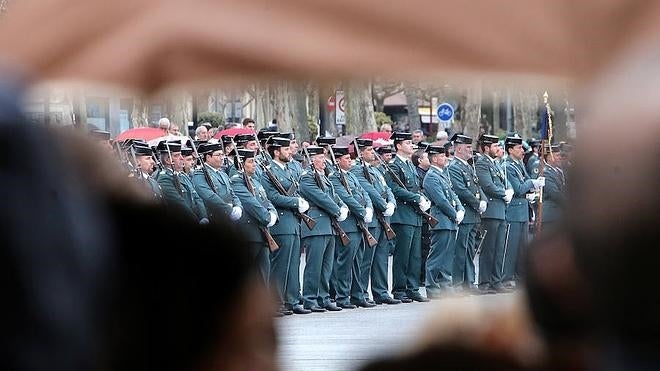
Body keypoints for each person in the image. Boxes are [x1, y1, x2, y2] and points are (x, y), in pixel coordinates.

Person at [260, 136, 311, 315]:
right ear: (276, 151)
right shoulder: (268, 171)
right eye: (286, 149)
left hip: (294, 222)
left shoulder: (288, 170)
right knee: (281, 265)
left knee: (293, 264)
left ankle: (292, 300)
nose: (290, 152)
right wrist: (295, 202)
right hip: (282, 224)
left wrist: (298, 202)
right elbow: (272, 196)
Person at [298, 146, 348, 312]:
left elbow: (333, 196)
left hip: (328, 225)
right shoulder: (307, 177)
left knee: (326, 266)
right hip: (316, 225)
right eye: (320, 157)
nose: (324, 161)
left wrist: (342, 206)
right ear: (312, 160)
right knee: (314, 265)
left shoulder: (324, 177)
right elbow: (320, 198)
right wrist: (336, 209)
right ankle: (310, 299)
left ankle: (323, 297)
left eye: (324, 157)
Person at [351, 138, 400, 305]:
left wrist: (391, 203)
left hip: (383, 218)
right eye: (369, 150)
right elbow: (369, 191)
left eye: (372, 150)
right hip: (373, 219)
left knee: (381, 258)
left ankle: (381, 292)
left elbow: (387, 188)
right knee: (367, 259)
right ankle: (362, 293)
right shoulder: (357, 170)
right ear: (361, 153)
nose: (372, 153)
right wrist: (383, 204)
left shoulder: (376, 171)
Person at [384, 132, 431, 303]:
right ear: (398, 146)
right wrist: (416, 198)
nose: (412, 145)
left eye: (411, 142)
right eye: (408, 143)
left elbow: (416, 187)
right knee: (402, 255)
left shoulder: (410, 165)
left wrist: (422, 198)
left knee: (415, 255)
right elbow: (394, 189)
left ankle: (413, 288)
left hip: (415, 215)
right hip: (402, 215)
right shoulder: (394, 165)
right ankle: (399, 289)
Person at [328, 146, 375, 309]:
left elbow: (365, 193)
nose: (350, 161)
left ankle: (357, 294)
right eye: (347, 159)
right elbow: (346, 197)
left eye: (350, 158)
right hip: (348, 224)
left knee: (358, 261)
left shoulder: (352, 176)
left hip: (359, 223)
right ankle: (342, 296)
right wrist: (362, 211)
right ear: (338, 160)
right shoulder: (335, 177)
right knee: (345, 262)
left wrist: (369, 208)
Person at [230, 149, 278, 285]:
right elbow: (251, 203)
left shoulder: (255, 181)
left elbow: (266, 201)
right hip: (249, 234)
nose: (255, 164)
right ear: (241, 165)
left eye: (254, 161)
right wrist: (267, 218)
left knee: (263, 275)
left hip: (262, 233)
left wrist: (272, 214)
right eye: (251, 162)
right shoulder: (237, 181)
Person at [423, 145, 464, 298]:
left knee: (447, 256)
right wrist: (455, 214)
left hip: (450, 221)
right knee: (437, 256)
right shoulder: (431, 176)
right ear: (434, 158)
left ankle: (445, 286)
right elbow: (441, 200)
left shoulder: (442, 174)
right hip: (441, 220)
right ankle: (432, 288)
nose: (445, 158)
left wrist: (460, 210)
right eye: (442, 156)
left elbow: (453, 195)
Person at [503, 136, 544, 288]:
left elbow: (525, 182)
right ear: (510, 149)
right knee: (511, 247)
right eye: (519, 148)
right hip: (513, 211)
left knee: (522, 247)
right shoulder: (507, 166)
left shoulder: (519, 164)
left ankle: (520, 277)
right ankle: (506, 277)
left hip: (522, 210)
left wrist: (533, 188)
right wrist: (532, 183)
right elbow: (518, 188)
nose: (522, 151)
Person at [475, 134, 513, 293]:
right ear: (486, 148)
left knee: (499, 249)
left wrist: (509, 189)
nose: (499, 149)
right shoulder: (482, 163)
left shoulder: (496, 164)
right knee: (489, 249)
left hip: (500, 211)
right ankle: (485, 283)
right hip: (490, 211)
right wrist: (504, 193)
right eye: (495, 146)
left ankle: (496, 281)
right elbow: (487, 185)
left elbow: (504, 180)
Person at [447, 134, 485, 293]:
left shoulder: (468, 166)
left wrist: (483, 200)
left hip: (473, 214)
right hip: (465, 213)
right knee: (460, 251)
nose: (471, 150)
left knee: (470, 251)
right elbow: (461, 190)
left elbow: (477, 186)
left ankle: (468, 282)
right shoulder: (454, 166)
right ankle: (457, 284)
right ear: (459, 148)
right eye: (468, 147)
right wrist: (477, 203)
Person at [155, 140, 208, 224]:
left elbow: (197, 198)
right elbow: (180, 205)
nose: (181, 158)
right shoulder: (165, 179)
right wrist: (197, 222)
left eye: (180, 154)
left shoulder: (182, 175)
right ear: (168, 160)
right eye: (177, 155)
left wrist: (204, 217)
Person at [191, 142, 242, 222]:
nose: (222, 158)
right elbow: (209, 197)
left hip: (229, 218)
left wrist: (238, 206)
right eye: (218, 155)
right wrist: (229, 210)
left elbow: (232, 193)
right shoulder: (200, 174)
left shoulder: (223, 174)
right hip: (215, 218)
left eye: (222, 155)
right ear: (208, 157)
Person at [539, 144, 565, 229]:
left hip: (559, 214)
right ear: (549, 157)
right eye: (557, 155)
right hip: (550, 215)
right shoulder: (545, 172)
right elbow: (554, 194)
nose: (560, 157)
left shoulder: (559, 171)